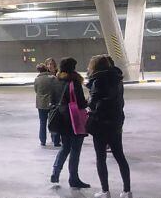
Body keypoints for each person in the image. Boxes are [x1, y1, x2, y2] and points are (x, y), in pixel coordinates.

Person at [87, 55, 132, 198]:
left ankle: (105, 191)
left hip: (100, 123)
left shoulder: (97, 81)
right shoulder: (117, 79)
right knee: (120, 156)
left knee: (101, 158)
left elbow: (92, 103)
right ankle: (127, 191)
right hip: (116, 121)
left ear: (95, 67)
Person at [50, 57, 90, 189]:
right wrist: (89, 101)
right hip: (74, 120)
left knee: (65, 147)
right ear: (73, 68)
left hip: (61, 120)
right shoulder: (74, 81)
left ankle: (55, 173)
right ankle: (73, 178)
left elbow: (53, 100)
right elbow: (81, 103)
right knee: (75, 150)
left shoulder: (56, 81)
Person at [34, 63, 60, 147]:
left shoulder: (37, 79)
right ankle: (55, 141)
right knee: (54, 121)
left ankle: (43, 141)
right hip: (52, 103)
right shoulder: (52, 78)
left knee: (42, 123)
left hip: (41, 104)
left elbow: (36, 90)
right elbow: (57, 89)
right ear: (46, 69)